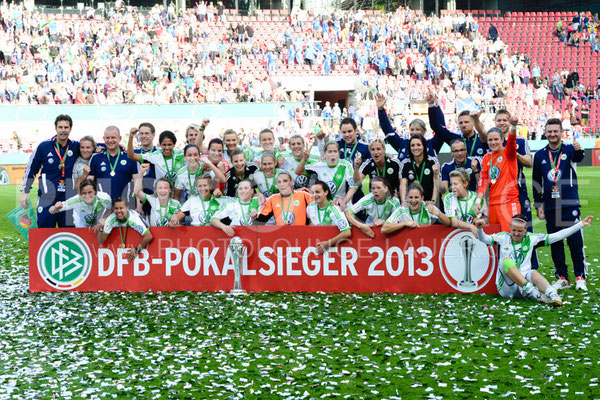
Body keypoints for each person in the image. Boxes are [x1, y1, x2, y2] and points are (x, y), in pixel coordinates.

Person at [475, 214, 593, 306]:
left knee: (533, 272)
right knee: (506, 260)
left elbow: (556, 236)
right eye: (513, 230)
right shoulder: (502, 237)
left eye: (520, 231)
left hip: (523, 287)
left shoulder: (532, 238)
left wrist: (580, 224)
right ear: (510, 228)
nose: (516, 233)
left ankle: (552, 294)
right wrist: (480, 229)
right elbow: (484, 239)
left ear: (525, 230)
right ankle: (535, 293)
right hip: (507, 288)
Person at [532, 119, 588, 291]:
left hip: (569, 203)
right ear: (545, 132)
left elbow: (578, 157)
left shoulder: (569, 149)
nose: (552, 134)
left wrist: (578, 149)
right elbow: (536, 181)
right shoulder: (540, 155)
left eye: (555, 131)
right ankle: (562, 277)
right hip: (550, 206)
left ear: (561, 132)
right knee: (555, 242)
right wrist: (538, 204)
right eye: (549, 131)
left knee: (575, 241)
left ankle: (580, 277)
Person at [20, 115, 80, 227]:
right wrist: (25, 192)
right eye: (60, 127)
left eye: (66, 127)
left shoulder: (75, 146)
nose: (63, 130)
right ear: (55, 128)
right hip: (47, 198)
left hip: (68, 199)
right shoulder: (44, 146)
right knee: (44, 234)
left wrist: (118, 147)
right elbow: (31, 169)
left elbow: (91, 146)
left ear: (70, 128)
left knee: (69, 236)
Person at [375, 93, 444, 162]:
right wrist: (381, 110)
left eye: (418, 129)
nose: (414, 132)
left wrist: (435, 106)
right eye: (412, 129)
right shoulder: (403, 144)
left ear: (424, 131)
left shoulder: (432, 145)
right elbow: (388, 131)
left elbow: (442, 129)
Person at [475, 125, 519, 231]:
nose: (493, 142)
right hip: (493, 205)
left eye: (496, 139)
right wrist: (478, 201)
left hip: (508, 203)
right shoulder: (486, 158)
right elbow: (483, 181)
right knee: (495, 240)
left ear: (502, 140)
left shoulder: (508, 153)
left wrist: (513, 126)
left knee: (510, 238)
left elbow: (512, 141)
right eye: (490, 140)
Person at [426, 90, 487, 160]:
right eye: (461, 123)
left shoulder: (482, 139)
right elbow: (437, 128)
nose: (463, 125)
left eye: (466, 122)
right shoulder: (455, 139)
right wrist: (432, 106)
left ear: (473, 123)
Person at [296, 141, 355, 209]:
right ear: (324, 153)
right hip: (324, 206)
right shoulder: (319, 165)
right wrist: (304, 159)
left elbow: (353, 186)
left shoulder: (346, 165)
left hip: (341, 206)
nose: (332, 154)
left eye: (335, 151)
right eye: (330, 152)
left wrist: (343, 202)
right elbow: (298, 172)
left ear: (338, 153)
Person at [89, 126, 139, 201]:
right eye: (107, 138)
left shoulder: (129, 158)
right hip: (102, 207)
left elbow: (137, 182)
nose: (110, 140)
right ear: (104, 139)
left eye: (113, 137)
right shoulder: (96, 158)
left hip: (124, 206)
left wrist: (139, 205)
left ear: (120, 138)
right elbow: (89, 183)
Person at [98, 197, 154, 263]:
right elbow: (101, 241)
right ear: (113, 209)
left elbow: (149, 236)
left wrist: (137, 250)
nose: (119, 211)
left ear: (127, 208)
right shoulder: (111, 220)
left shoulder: (134, 219)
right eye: (116, 208)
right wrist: (101, 227)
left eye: (121, 208)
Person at [382, 183, 451, 234]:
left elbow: (448, 223)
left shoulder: (428, 208)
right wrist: (404, 223)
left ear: (422, 198)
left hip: (427, 245)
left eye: (416, 197)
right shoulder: (402, 210)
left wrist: (438, 213)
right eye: (411, 197)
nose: (413, 201)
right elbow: (384, 229)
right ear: (407, 198)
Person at [307, 181, 352, 254]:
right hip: (317, 248)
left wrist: (328, 243)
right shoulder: (310, 207)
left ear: (326, 192)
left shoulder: (334, 209)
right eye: (312, 192)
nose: (315, 195)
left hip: (333, 249)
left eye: (318, 192)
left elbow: (347, 232)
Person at [443, 169, 487, 233]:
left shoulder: (477, 198)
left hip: (476, 236)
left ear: (465, 183)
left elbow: (487, 217)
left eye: (455, 184)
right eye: (451, 184)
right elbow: (454, 222)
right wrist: (470, 226)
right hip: (455, 236)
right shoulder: (449, 198)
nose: (452, 187)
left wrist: (480, 221)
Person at [399, 135, 440, 204]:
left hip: (428, 202)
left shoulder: (432, 161)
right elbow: (403, 184)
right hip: (413, 203)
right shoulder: (405, 163)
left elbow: (436, 183)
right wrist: (403, 201)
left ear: (424, 146)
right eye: (412, 145)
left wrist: (433, 201)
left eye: (418, 145)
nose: (415, 148)